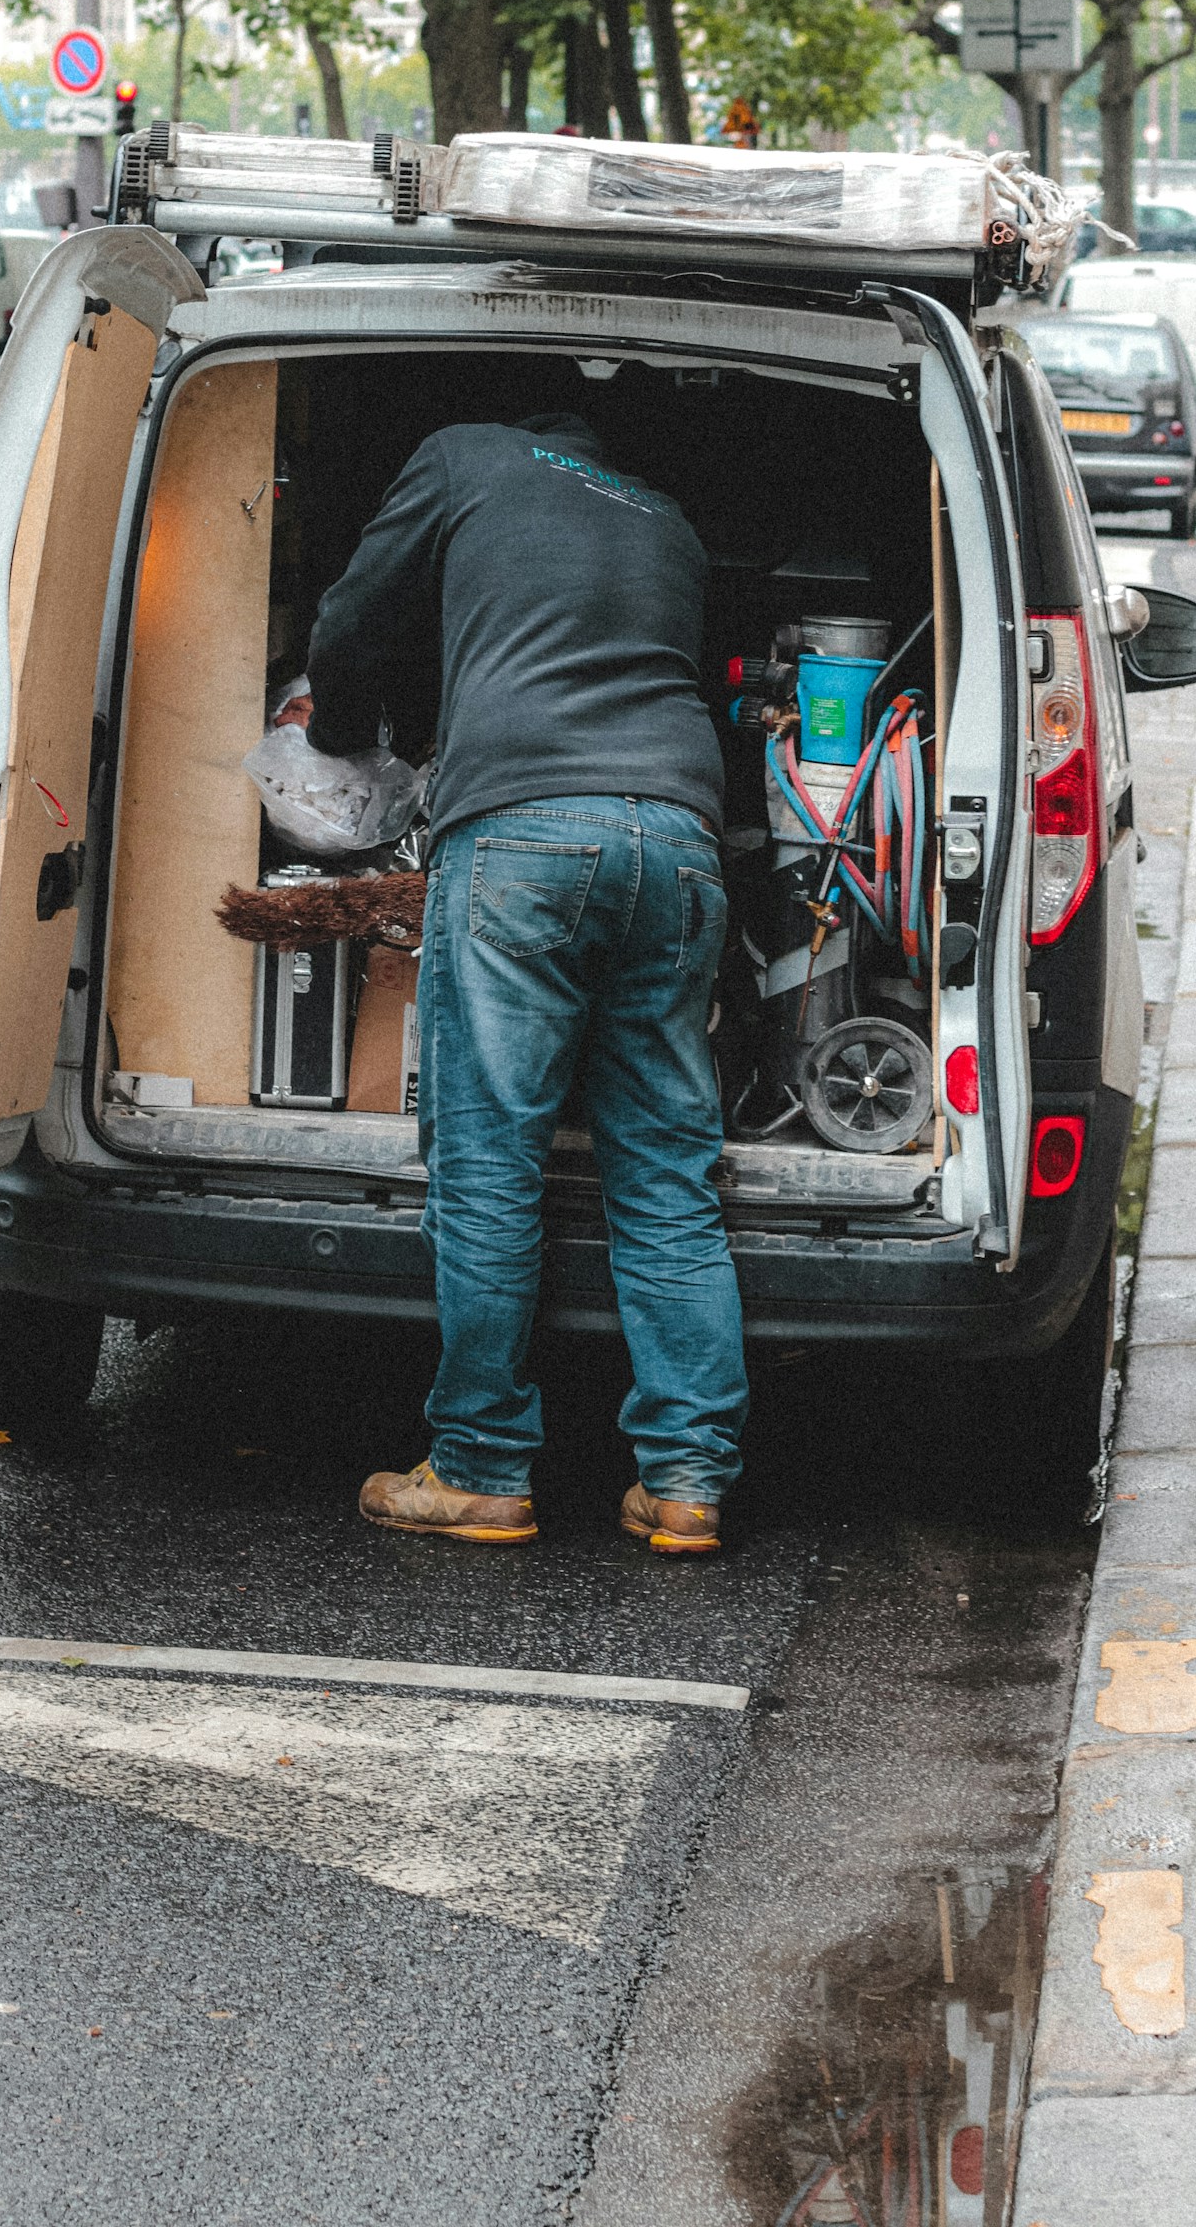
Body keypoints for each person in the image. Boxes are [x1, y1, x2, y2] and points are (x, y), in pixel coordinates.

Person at [300, 410, 747, 1556]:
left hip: (524, 837)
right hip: (680, 843)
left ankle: (482, 1466)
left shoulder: (460, 455)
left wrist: (346, 735)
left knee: (491, 1160)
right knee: (666, 1171)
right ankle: (688, 1480)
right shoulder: (673, 523)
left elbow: (354, 618)